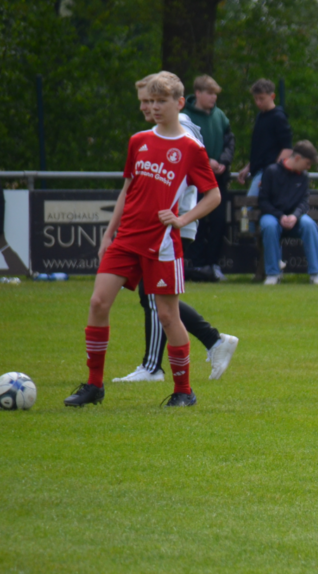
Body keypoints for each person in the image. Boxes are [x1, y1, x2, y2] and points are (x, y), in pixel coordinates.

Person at [65, 72, 221, 408]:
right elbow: (128, 189)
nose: (154, 107)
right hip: (126, 239)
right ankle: (94, 386)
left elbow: (213, 196)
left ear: (179, 103)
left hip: (162, 243)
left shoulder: (191, 149)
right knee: (97, 303)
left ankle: (184, 391)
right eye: (149, 102)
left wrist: (181, 219)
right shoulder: (138, 140)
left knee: (168, 316)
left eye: (161, 101)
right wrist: (109, 233)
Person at [112, 73, 238, 385]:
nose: (146, 108)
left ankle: (155, 365)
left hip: (171, 222)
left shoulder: (180, 127)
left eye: (150, 101)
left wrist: (181, 215)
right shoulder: (159, 129)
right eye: (143, 102)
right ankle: (209, 341)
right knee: (152, 296)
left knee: (155, 295)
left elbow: (190, 172)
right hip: (161, 221)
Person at [183, 74, 234, 281]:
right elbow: (184, 145)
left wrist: (223, 160)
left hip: (218, 179)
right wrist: (207, 161)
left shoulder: (220, 115)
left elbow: (230, 141)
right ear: (198, 93)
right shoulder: (184, 116)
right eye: (210, 93)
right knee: (197, 220)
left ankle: (213, 264)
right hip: (192, 179)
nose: (214, 98)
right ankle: (196, 265)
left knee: (219, 221)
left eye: (215, 94)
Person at [259, 140, 318, 286]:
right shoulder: (271, 171)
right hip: (273, 216)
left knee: (309, 225)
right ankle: (273, 274)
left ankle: (316, 274)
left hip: (295, 218)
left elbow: (303, 202)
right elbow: (263, 201)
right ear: (297, 158)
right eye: (307, 163)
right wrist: (280, 216)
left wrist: (294, 216)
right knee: (268, 225)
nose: (308, 167)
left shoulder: (303, 176)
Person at [238, 79, 292, 197]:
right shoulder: (260, 117)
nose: (258, 102)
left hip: (267, 172)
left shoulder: (278, 117)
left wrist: (272, 173)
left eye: (261, 98)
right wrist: (249, 167)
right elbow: (261, 149)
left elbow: (287, 149)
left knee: (247, 208)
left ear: (272, 96)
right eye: (256, 99)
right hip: (259, 170)